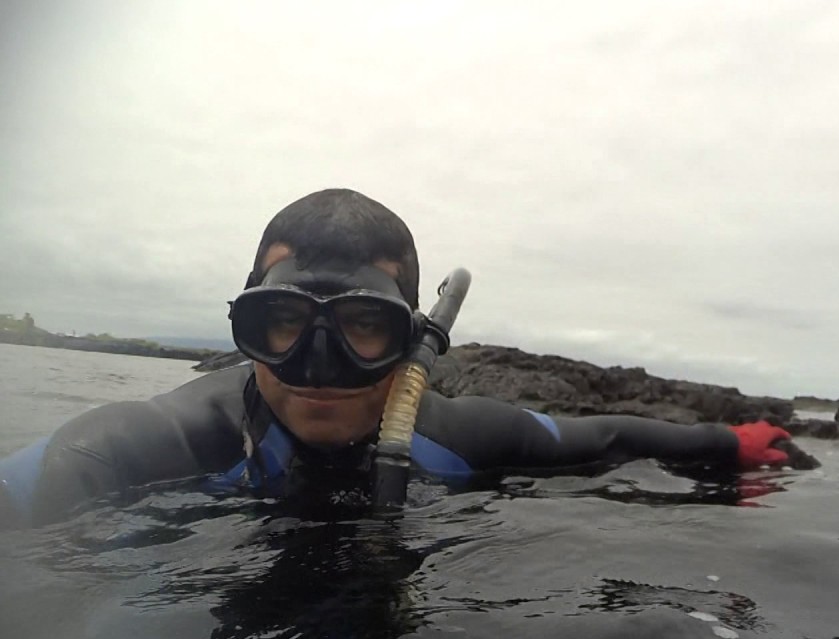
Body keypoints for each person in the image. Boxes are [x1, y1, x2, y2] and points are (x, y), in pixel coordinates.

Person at [0, 189, 795, 529]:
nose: (318, 365)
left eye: (361, 329)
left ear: (411, 336)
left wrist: (734, 446)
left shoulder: (455, 434)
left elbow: (607, 438)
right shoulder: (161, 443)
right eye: (281, 322)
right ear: (245, 322)